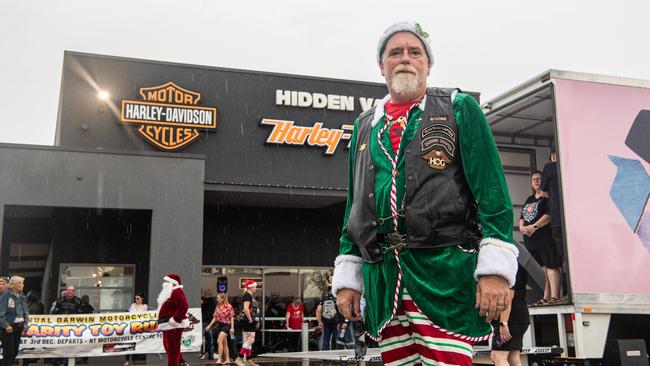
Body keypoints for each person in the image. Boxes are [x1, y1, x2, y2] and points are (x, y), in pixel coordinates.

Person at [332, 21, 518, 366]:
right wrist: (348, 278)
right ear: (381, 65)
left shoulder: (458, 108)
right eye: (395, 53)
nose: (405, 59)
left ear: (428, 64)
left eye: (414, 52)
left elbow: (493, 196)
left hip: (443, 275)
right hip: (385, 282)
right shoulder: (363, 126)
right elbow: (355, 208)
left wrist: (494, 270)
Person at [519, 170, 561, 305]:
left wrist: (534, 227)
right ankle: (546, 296)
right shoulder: (529, 199)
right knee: (544, 269)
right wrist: (521, 228)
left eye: (539, 179)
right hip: (532, 241)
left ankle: (555, 296)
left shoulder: (548, 198)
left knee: (552, 266)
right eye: (534, 179)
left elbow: (549, 216)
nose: (536, 181)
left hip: (546, 238)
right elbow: (522, 217)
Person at [490, 264, 530, 366]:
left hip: (510, 317)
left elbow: (508, 297)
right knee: (513, 358)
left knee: (497, 356)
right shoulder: (519, 265)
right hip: (520, 315)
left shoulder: (508, 266)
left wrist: (504, 323)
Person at [541, 148, 566, 300]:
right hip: (570, 217)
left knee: (563, 257)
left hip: (557, 219)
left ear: (552, 156)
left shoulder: (550, 167)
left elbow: (543, 187)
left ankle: (565, 293)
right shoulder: (570, 167)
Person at [157, 274, 190, 366]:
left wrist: (175, 319)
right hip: (167, 325)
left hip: (172, 326)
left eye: (167, 281)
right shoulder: (170, 292)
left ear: (173, 283)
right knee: (170, 348)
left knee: (172, 351)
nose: (164, 283)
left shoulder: (177, 291)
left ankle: (177, 363)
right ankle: (181, 362)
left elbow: (184, 306)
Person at [0, 276, 29, 366]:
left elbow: (25, 310)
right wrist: (6, 325)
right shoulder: (6, 296)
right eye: (20, 283)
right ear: (14, 284)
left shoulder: (22, 295)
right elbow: (1, 313)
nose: (22, 285)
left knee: (15, 351)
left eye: (22, 283)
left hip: (19, 325)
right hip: (9, 326)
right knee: (9, 352)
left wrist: (25, 323)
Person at [206, 293, 235, 364]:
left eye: (218, 298)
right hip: (219, 325)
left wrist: (232, 327)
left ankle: (219, 359)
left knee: (219, 341)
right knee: (224, 343)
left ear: (222, 299)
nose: (217, 299)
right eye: (217, 298)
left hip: (226, 325)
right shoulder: (217, 307)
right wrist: (209, 325)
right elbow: (215, 317)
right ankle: (228, 359)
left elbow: (231, 317)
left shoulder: (228, 306)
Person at [236, 280, 259, 366]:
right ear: (251, 287)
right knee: (251, 340)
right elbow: (246, 309)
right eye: (255, 286)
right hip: (247, 320)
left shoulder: (248, 295)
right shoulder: (247, 296)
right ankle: (239, 358)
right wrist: (250, 320)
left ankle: (248, 360)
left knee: (248, 340)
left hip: (248, 320)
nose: (256, 288)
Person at [124, 292, 148, 366]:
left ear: (142, 299)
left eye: (138, 298)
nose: (136, 300)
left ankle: (134, 360)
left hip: (139, 328)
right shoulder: (133, 305)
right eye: (135, 298)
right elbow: (128, 314)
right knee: (128, 343)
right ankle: (127, 360)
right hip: (130, 327)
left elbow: (145, 316)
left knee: (136, 344)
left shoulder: (144, 306)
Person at [316, 286, 339, 350]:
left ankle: (324, 357)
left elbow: (318, 310)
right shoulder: (337, 296)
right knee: (337, 339)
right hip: (336, 320)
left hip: (326, 321)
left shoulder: (324, 297)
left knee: (326, 339)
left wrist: (319, 321)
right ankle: (337, 355)